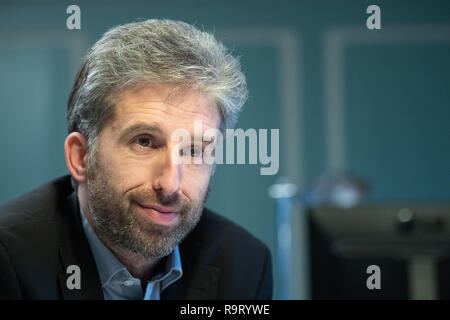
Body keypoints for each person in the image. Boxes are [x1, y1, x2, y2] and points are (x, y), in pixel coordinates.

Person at [0, 19, 272, 300]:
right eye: (144, 141)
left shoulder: (244, 265)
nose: (170, 185)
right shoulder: (9, 261)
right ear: (81, 157)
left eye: (193, 150)